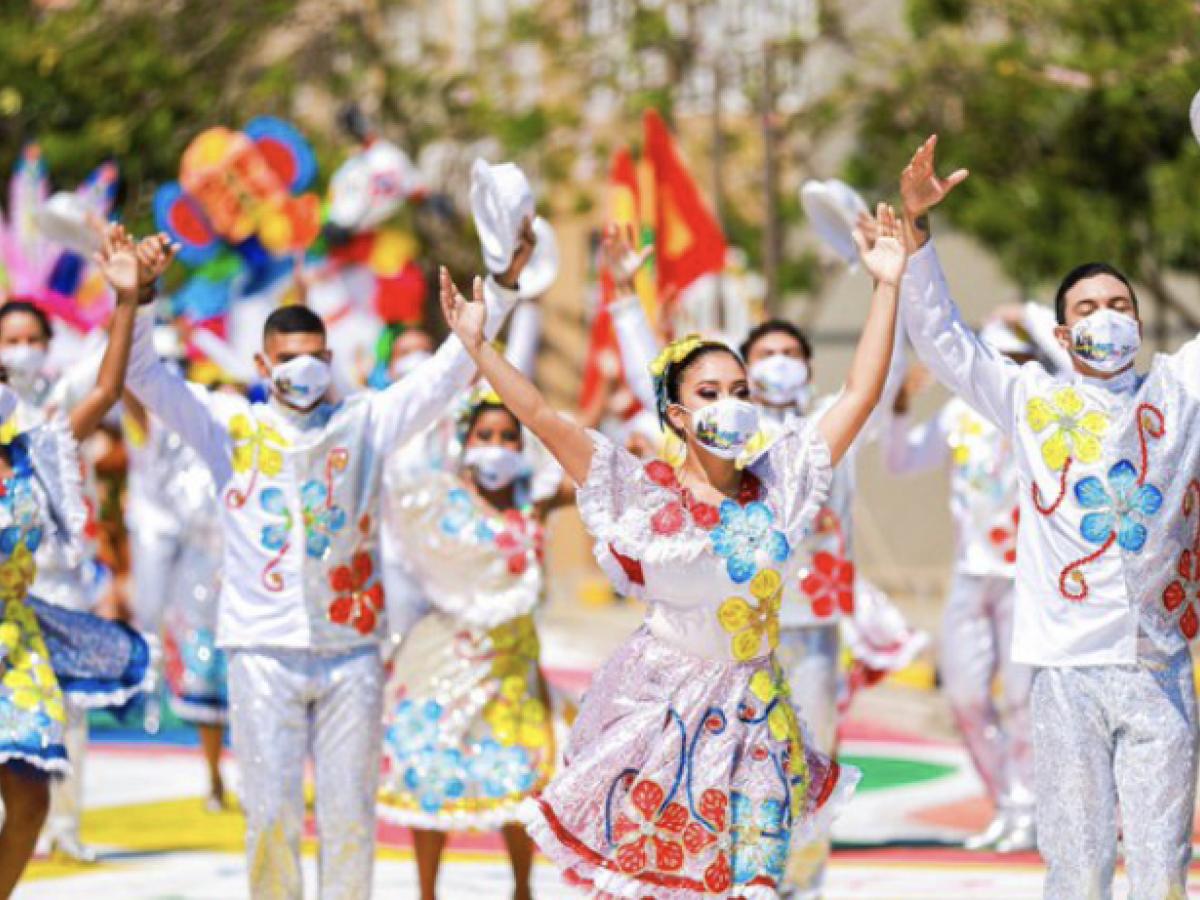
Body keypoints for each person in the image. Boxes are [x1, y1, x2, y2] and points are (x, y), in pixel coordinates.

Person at [437, 204, 906, 898]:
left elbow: (862, 393)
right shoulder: (639, 492)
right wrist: (479, 348)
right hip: (659, 709)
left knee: (754, 886)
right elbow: (539, 415)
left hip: (756, 715)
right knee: (658, 884)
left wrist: (887, 283)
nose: (733, 404)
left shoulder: (780, 481)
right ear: (679, 416)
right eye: (710, 393)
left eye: (740, 391)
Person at [121, 231, 529, 899]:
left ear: (329, 358)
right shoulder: (230, 427)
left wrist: (503, 293)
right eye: (288, 358)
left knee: (348, 819)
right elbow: (145, 377)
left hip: (351, 654)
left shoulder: (366, 421)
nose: (302, 370)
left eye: (313, 358)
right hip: (261, 651)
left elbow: (446, 375)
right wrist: (139, 297)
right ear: (263, 361)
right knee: (272, 816)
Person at [898, 134, 1199, 898]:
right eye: (1089, 309)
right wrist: (919, 234)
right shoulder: (1035, 400)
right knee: (1077, 868)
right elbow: (944, 341)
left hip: (1159, 670)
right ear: (1061, 336)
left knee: (1163, 870)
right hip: (1064, 675)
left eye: (1121, 305)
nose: (1109, 318)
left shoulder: (1182, 391)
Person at [605, 223, 921, 897]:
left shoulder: (812, 444)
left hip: (809, 626)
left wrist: (888, 282)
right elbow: (660, 383)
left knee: (796, 774)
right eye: (763, 355)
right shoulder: (746, 449)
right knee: (709, 798)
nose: (776, 367)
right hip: (724, 649)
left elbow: (871, 382)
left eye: (789, 354)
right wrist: (628, 301)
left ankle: (792, 886)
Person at [0, 222, 155, 898]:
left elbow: (106, 393)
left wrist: (127, 303)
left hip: (16, 640)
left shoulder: (35, 449)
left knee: (31, 797)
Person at [378, 385, 571, 900]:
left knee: (519, 778)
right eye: (485, 435)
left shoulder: (535, 499)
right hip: (442, 659)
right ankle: (426, 894)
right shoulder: (435, 501)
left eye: (508, 436)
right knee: (432, 774)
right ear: (465, 441)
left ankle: (523, 889)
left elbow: (593, 473)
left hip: (513, 667)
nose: (497, 445)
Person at [884, 322, 1046, 853]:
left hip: (1026, 577)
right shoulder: (961, 412)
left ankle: (1030, 807)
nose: (1008, 366)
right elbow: (901, 460)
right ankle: (1006, 802)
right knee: (965, 697)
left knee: (1023, 699)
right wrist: (901, 405)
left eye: (1019, 355)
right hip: (970, 576)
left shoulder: (1043, 413)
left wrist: (1026, 312)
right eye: (997, 355)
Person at [124, 381, 229, 810]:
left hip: (251, 572)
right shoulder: (167, 444)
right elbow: (131, 401)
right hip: (200, 571)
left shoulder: (243, 433)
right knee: (206, 671)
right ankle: (215, 775)